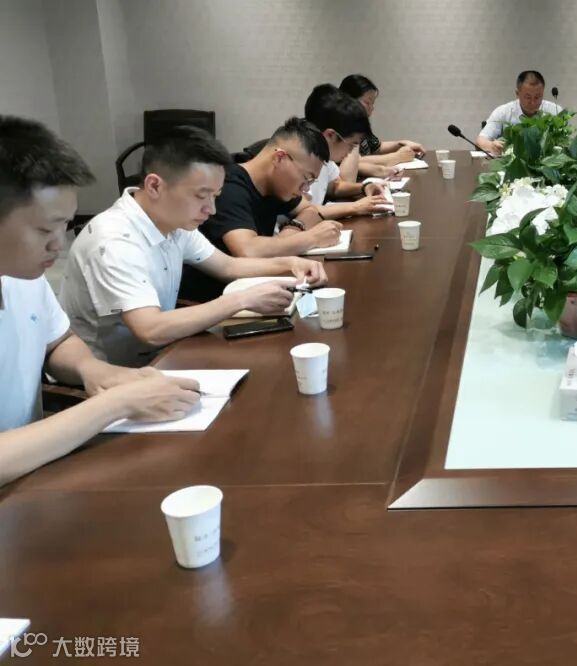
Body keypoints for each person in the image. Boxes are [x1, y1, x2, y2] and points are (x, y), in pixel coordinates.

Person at [0, 116, 200, 486]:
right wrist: (115, 404)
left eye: (65, 225)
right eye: (44, 229)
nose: (59, 244)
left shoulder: (23, 274)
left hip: (35, 476)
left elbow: (57, 339)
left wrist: (95, 371)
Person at [60, 127, 329, 367]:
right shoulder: (115, 240)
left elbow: (228, 266)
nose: (211, 209)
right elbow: (150, 329)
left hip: (163, 354)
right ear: (154, 186)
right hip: (114, 374)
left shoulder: (174, 222)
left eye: (215, 196)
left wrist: (291, 263)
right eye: (201, 196)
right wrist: (242, 300)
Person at [180, 118, 342, 301]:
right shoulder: (229, 186)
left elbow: (310, 211)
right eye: (306, 178)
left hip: (250, 289)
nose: (306, 189)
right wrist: (311, 238)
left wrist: (292, 232)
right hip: (209, 299)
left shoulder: (276, 186)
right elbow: (248, 251)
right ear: (279, 158)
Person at [300, 86, 394, 220]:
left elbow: (335, 186)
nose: (351, 152)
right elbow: (303, 211)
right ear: (331, 135)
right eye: (352, 144)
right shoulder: (297, 160)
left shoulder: (323, 153)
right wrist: (356, 207)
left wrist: (364, 187)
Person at [338, 74, 426, 167]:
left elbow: (377, 147)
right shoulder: (340, 126)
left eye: (373, 103)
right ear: (349, 100)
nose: (372, 108)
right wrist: (398, 156)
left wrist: (401, 144)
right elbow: (355, 162)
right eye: (367, 102)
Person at [476, 70, 562, 156]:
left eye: (537, 97)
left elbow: (564, 143)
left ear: (543, 93)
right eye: (528, 97)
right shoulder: (503, 112)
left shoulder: (555, 111)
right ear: (517, 94)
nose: (533, 102)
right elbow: (480, 141)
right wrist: (491, 146)